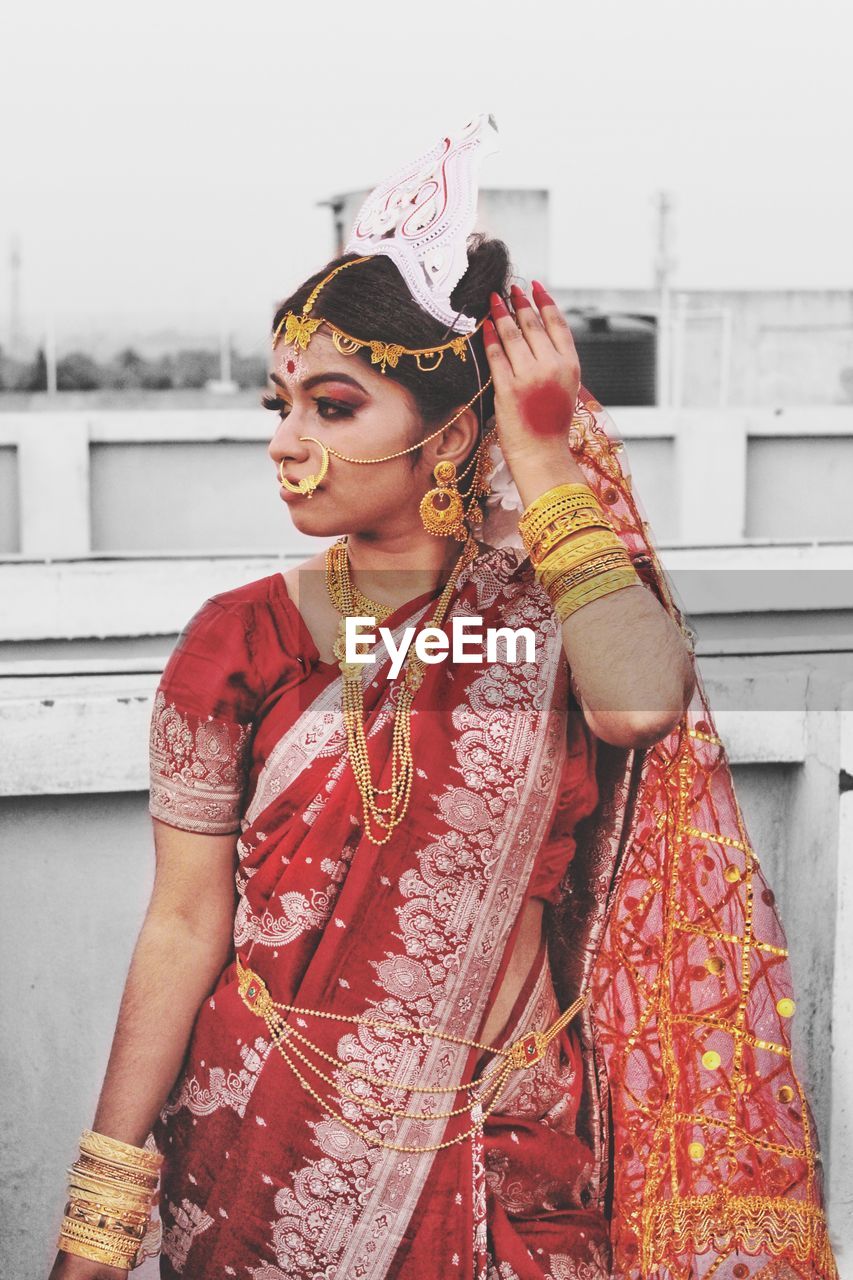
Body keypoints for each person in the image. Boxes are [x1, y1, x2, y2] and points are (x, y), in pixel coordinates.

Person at [50, 116, 838, 1280]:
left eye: (333, 405)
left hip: (497, 1135)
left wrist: (545, 456)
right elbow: (180, 924)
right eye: (282, 405)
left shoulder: (555, 607)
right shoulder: (239, 639)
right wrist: (99, 1220)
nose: (286, 442)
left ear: (448, 429)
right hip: (265, 1144)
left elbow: (636, 709)